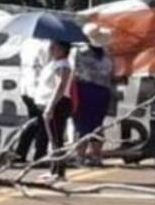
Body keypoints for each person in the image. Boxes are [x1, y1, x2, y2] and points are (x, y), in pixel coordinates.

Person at [70, 24, 115, 167]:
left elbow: (73, 71)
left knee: (81, 124)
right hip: (102, 91)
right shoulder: (107, 53)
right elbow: (111, 72)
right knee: (97, 124)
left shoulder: (79, 51)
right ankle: (96, 156)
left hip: (84, 89)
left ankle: (80, 156)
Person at [38, 41, 74, 180]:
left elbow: (60, 87)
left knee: (57, 139)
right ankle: (53, 170)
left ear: (63, 50)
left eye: (55, 47)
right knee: (53, 139)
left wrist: (50, 106)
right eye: (51, 47)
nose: (51, 49)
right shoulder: (54, 63)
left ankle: (59, 172)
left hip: (58, 104)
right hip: (50, 103)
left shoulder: (63, 65)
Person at [14, 38, 51, 163]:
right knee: (43, 123)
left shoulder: (27, 43)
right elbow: (47, 67)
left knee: (35, 121)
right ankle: (39, 155)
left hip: (27, 87)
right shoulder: (47, 45)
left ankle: (20, 153)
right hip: (39, 89)